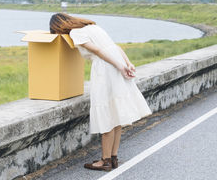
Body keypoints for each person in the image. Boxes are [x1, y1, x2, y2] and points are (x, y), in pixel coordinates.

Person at [49, 13, 152, 171]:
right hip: (116, 65)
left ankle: (105, 161)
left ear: (59, 27)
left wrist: (119, 66)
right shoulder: (93, 27)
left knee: (106, 115)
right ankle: (113, 157)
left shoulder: (75, 33)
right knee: (116, 114)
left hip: (105, 69)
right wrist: (127, 63)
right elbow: (115, 47)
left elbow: (96, 50)